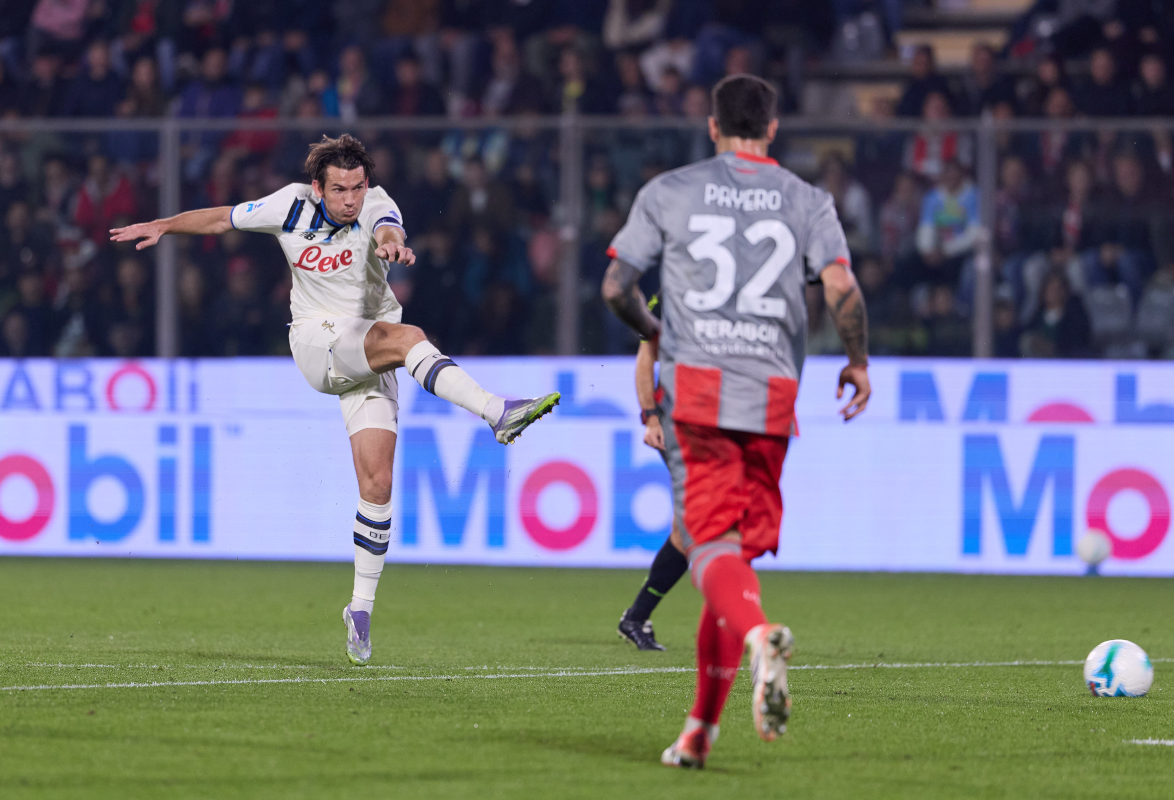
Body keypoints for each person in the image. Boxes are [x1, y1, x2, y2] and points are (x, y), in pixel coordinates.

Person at [109, 134, 560, 667]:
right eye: (340, 189)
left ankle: (360, 609)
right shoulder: (289, 204)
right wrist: (164, 224)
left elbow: (390, 227)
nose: (351, 199)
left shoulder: (377, 204)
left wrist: (391, 241)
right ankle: (495, 412)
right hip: (319, 341)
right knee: (410, 336)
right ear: (319, 187)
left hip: (370, 350)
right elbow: (221, 218)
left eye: (358, 187)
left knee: (378, 483)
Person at [601, 74, 871, 769]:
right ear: (774, 129)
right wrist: (857, 363)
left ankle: (760, 638)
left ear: (712, 126)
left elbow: (615, 286)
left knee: (709, 549)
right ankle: (699, 733)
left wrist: (654, 329)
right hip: (775, 392)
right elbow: (841, 289)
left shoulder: (670, 190)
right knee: (729, 555)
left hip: (699, 392)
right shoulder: (810, 201)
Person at [617, 296, 689, 652]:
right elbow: (647, 354)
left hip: (716, 420)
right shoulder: (670, 293)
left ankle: (636, 616)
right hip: (677, 421)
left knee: (691, 527)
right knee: (696, 522)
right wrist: (650, 415)